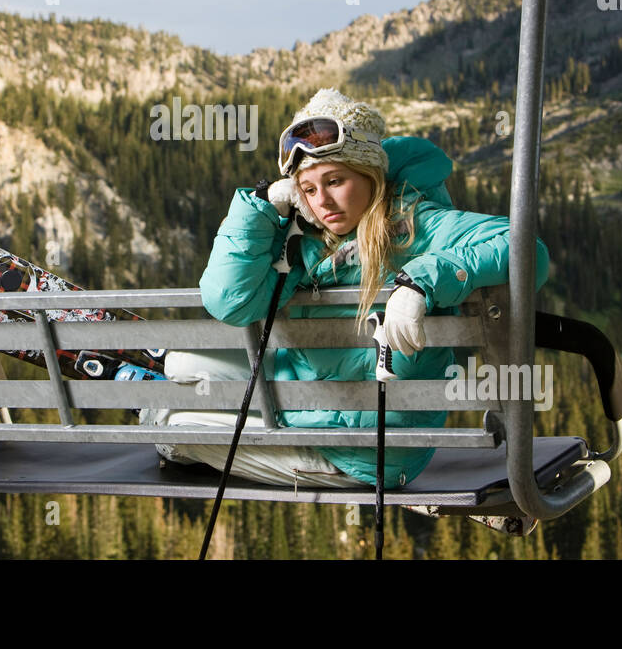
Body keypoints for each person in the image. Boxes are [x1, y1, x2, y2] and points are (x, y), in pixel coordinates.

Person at [144, 87, 551, 496]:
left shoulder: (415, 224)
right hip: (310, 405)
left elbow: (523, 248)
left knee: (173, 426)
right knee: (181, 366)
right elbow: (228, 299)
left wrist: (421, 281)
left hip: (363, 454)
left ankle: (154, 407)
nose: (323, 201)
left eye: (335, 181)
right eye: (308, 189)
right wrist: (263, 205)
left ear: (369, 174)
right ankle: (159, 383)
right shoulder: (303, 241)